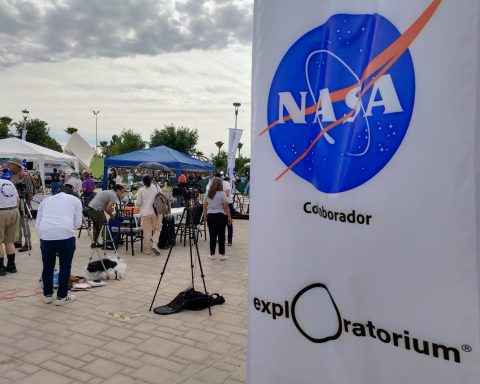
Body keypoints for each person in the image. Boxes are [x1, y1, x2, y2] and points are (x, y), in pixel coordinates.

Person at [35, 185, 83, 305]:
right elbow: (77, 223)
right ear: (72, 193)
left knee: (47, 266)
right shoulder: (75, 200)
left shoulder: (45, 200)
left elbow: (37, 224)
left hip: (45, 235)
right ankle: (61, 297)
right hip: (65, 235)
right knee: (65, 266)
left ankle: (47, 295)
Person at [8, 157, 35, 252]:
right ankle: (18, 241)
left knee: (24, 223)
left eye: (11, 164)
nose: (9, 166)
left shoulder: (24, 175)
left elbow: (30, 189)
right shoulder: (13, 176)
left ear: (16, 165)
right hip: (14, 203)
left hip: (23, 202)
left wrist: (28, 201)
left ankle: (28, 243)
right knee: (17, 223)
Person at [203, 177, 231, 261]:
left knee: (212, 235)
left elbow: (204, 205)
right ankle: (222, 255)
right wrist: (229, 216)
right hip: (221, 216)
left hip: (210, 216)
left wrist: (205, 215)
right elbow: (226, 206)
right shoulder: (222, 194)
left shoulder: (208, 193)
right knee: (221, 235)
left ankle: (212, 254)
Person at [136, 175, 162, 255]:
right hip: (153, 212)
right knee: (158, 228)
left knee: (147, 231)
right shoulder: (155, 187)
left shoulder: (140, 190)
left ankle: (147, 249)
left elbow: (138, 203)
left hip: (144, 213)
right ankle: (154, 243)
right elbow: (160, 195)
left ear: (143, 182)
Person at [0, 179, 20, 276]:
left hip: (1, 212)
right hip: (14, 211)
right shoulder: (8, 182)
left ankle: (0, 268)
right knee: (9, 241)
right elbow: (17, 200)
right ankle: (11, 266)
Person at [223, 176, 234, 246]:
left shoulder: (226, 183)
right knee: (221, 223)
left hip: (228, 204)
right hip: (221, 204)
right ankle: (222, 238)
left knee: (229, 222)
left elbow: (227, 193)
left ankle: (229, 239)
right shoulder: (215, 183)